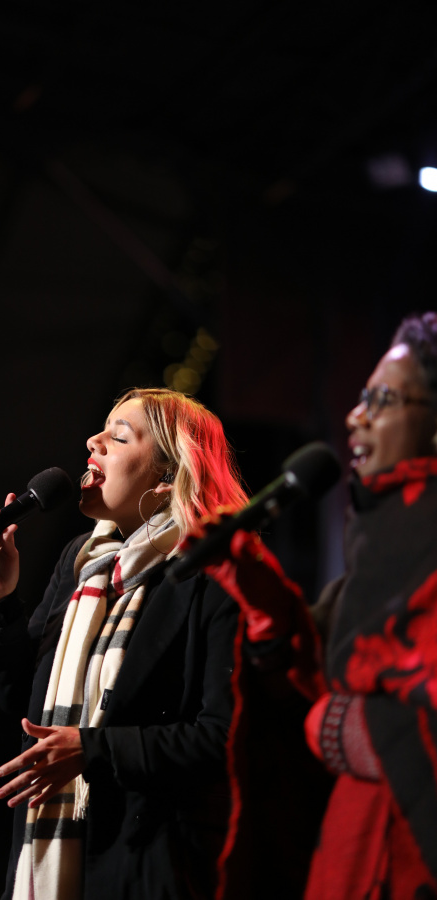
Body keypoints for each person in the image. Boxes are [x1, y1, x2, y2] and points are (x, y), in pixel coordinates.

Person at [0, 388, 252, 900]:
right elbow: (23, 700)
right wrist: (0, 598)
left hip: (145, 864)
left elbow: (224, 738)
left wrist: (93, 750)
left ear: (166, 478)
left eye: (118, 437)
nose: (92, 442)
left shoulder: (212, 576)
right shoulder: (82, 562)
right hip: (46, 859)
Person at [207, 311, 437, 900]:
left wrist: (350, 728)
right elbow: (313, 693)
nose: (356, 417)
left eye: (382, 400)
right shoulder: (371, 563)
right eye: (361, 398)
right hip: (350, 861)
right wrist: (268, 611)